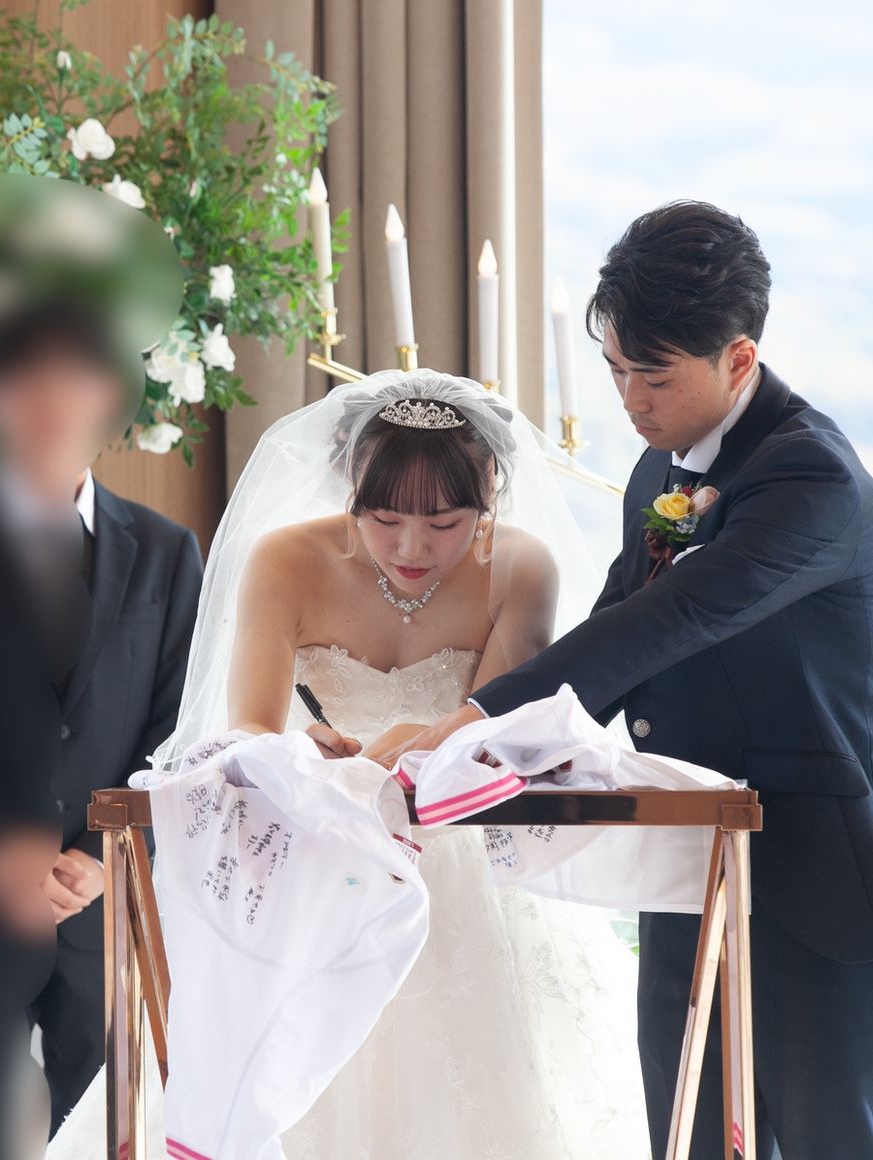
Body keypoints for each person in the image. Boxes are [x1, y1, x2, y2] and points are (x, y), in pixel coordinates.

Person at [78, 370, 647, 1159]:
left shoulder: (522, 570)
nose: (413, 548)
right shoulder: (285, 559)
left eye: (445, 523)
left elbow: (496, 740)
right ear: (350, 490)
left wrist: (438, 738)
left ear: (488, 495)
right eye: (384, 520)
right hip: (319, 855)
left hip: (459, 864)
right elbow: (249, 727)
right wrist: (297, 750)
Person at [407, 201, 873, 1160]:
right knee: (685, 1131)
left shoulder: (812, 475)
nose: (629, 399)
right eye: (615, 369)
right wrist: (482, 753)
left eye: (653, 376)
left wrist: (478, 719)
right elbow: (612, 628)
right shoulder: (656, 470)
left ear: (738, 359)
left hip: (812, 881)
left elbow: (675, 617)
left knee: (827, 1133)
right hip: (686, 863)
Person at [0, 299, 204, 1155]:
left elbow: (180, 728)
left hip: (106, 907)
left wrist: (98, 857)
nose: (52, 405)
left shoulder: (167, 552)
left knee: (108, 1131)